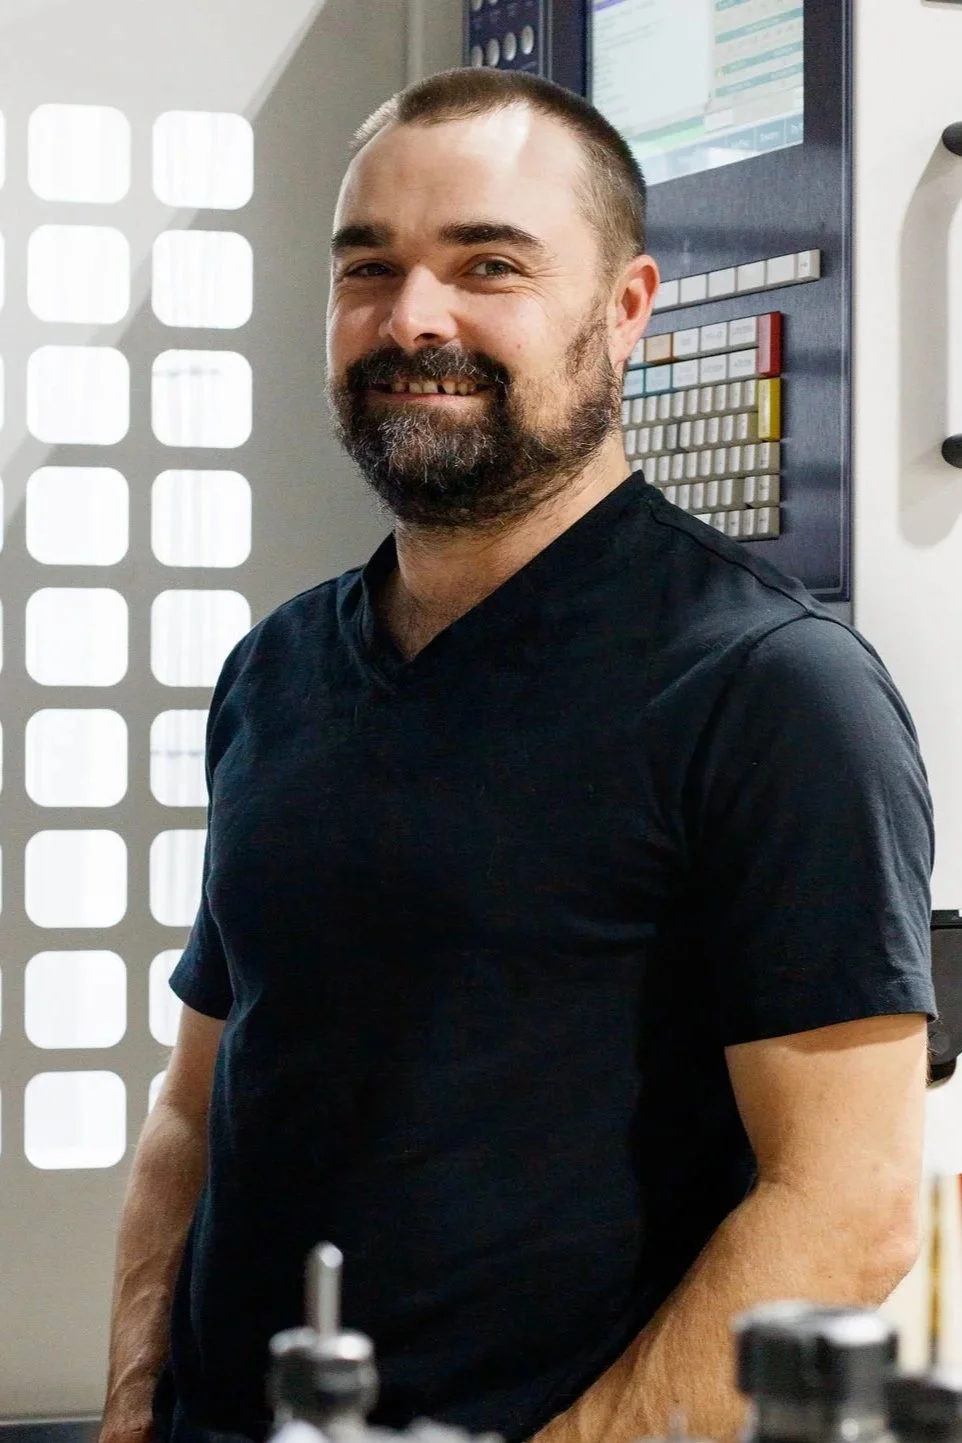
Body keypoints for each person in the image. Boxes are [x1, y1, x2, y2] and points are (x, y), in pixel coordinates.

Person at [100, 68, 935, 1443]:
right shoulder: (277, 669)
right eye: (369, 268)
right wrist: (136, 1398)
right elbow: (195, 1107)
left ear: (626, 307)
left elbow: (845, 1206)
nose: (412, 318)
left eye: (488, 264)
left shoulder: (771, 690)